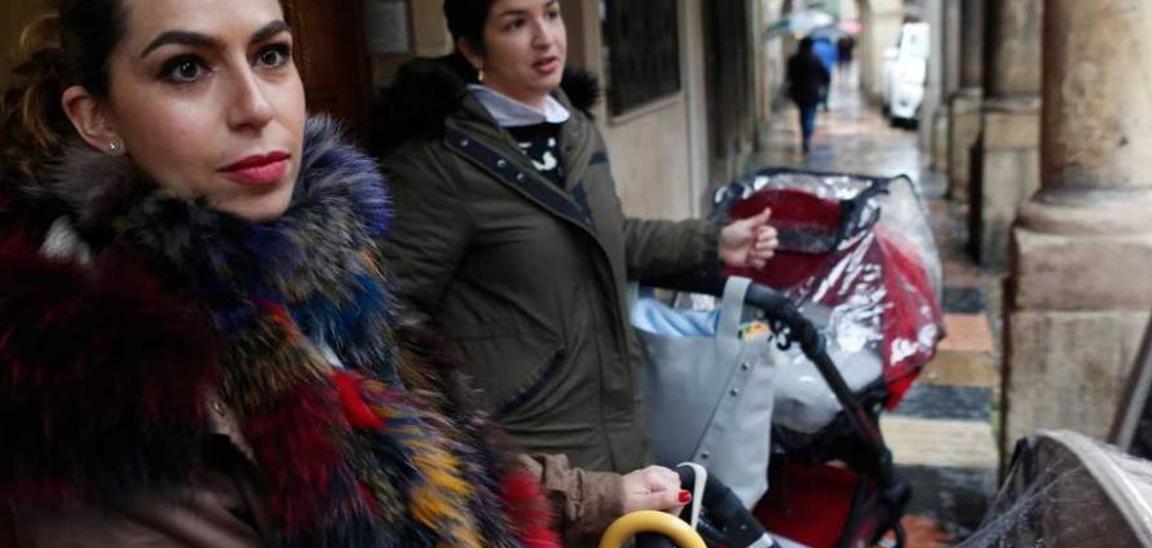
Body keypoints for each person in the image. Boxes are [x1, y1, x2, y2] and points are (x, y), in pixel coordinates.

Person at [0, 0, 565, 545]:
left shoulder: (324, 267)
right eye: (186, 68)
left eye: (270, 54)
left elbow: (432, 467)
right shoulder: (98, 384)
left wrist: (597, 499)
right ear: (96, 117)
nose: (255, 107)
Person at [374, 0, 779, 542]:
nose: (546, 38)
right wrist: (462, 424)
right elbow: (387, 317)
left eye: (552, 13)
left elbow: (607, 238)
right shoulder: (437, 162)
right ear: (473, 48)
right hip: (534, 448)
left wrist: (712, 241)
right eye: (516, 24)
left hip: (619, 423)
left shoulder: (572, 127)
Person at [786, 37, 831, 153]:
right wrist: (824, 85)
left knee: (803, 114)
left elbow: (789, 76)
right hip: (812, 92)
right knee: (810, 114)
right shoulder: (815, 59)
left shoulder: (794, 59)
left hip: (799, 92)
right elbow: (825, 76)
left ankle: (805, 135)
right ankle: (807, 136)